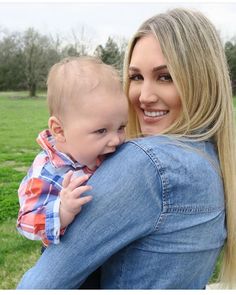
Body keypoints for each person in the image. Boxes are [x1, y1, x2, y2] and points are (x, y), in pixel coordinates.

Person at [17, 8, 236, 289]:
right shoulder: (211, 158)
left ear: (201, 80)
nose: (143, 96)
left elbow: (37, 287)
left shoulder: (148, 164)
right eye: (135, 77)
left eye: (165, 77)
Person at [16, 56, 128, 288]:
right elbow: (26, 222)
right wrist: (62, 209)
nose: (115, 140)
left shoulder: (99, 153)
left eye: (121, 127)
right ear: (59, 130)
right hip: (72, 265)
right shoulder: (47, 172)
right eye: (101, 131)